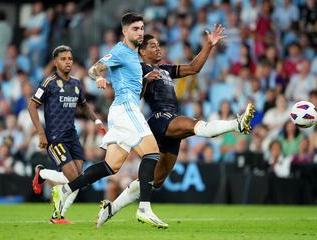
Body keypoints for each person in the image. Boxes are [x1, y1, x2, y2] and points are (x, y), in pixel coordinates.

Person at [96, 27, 256, 227]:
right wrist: (144, 81)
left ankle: (111, 208)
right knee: (194, 124)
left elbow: (193, 68)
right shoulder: (138, 69)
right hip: (159, 118)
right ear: (142, 52)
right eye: (152, 46)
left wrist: (208, 45)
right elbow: (132, 98)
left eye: (159, 45)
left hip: (170, 120)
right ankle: (236, 124)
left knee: (157, 180)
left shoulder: (165, 69)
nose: (158, 49)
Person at [52, 12, 167, 228]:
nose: (140, 32)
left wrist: (144, 79)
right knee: (152, 153)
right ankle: (144, 208)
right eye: (135, 28)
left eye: (142, 28)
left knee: (110, 166)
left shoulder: (133, 55)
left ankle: (65, 189)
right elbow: (94, 69)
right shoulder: (121, 51)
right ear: (124, 31)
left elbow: (127, 81)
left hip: (124, 110)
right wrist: (100, 77)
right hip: (126, 109)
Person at [28, 45, 106, 224]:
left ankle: (58, 216)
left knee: (80, 180)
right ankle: (42, 173)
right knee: (74, 178)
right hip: (55, 138)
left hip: (72, 136)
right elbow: (32, 106)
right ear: (55, 62)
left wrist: (97, 121)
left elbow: (84, 106)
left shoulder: (77, 83)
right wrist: (41, 133)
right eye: (63, 59)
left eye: (69, 58)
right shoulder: (49, 83)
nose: (68, 62)